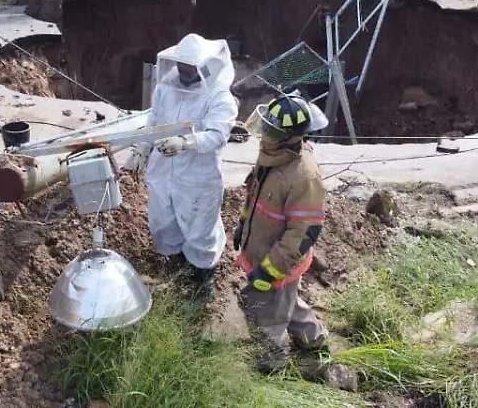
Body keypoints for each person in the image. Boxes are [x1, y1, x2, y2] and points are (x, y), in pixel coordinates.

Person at [122, 33, 238, 287]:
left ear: (202, 67)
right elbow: (155, 120)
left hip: (198, 176)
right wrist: (142, 148)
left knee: (198, 230)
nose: (183, 71)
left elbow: (218, 135)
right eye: (181, 65)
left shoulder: (218, 95)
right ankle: (176, 268)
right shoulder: (166, 86)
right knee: (163, 222)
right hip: (163, 171)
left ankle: (200, 280)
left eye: (190, 67)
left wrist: (186, 142)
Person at [235, 92, 330, 372]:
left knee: (269, 319)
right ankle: (314, 339)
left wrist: (269, 270)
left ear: (290, 137)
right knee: (287, 303)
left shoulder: (304, 175)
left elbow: (303, 233)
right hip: (262, 249)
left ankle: (271, 365)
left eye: (271, 131)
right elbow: (254, 196)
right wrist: (242, 225)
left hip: (278, 262)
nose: (263, 135)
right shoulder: (272, 154)